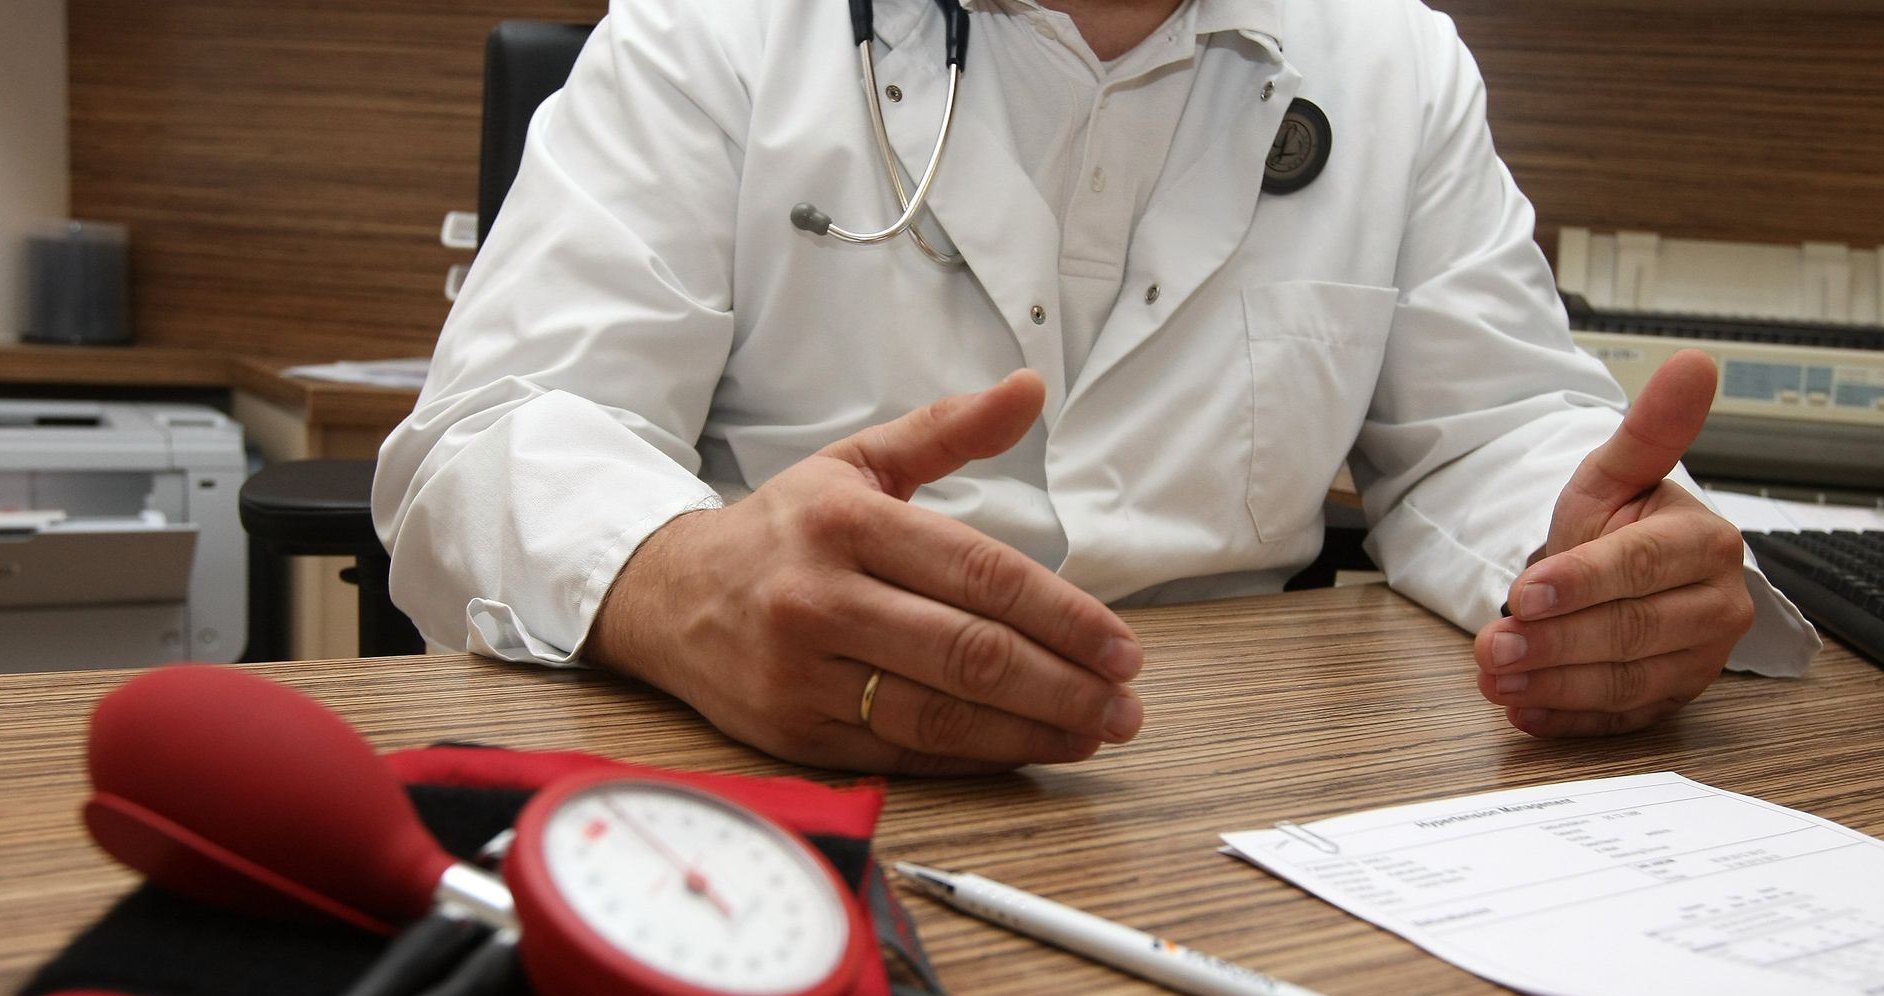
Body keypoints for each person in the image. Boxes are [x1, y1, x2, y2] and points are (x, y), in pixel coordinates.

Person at [374, 0, 1818, 774]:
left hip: (1246, 789)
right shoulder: (715, 31)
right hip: (779, 766)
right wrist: (680, 580)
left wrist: (1591, 572)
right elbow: (489, 441)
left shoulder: (1396, 60)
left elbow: (1487, 433)